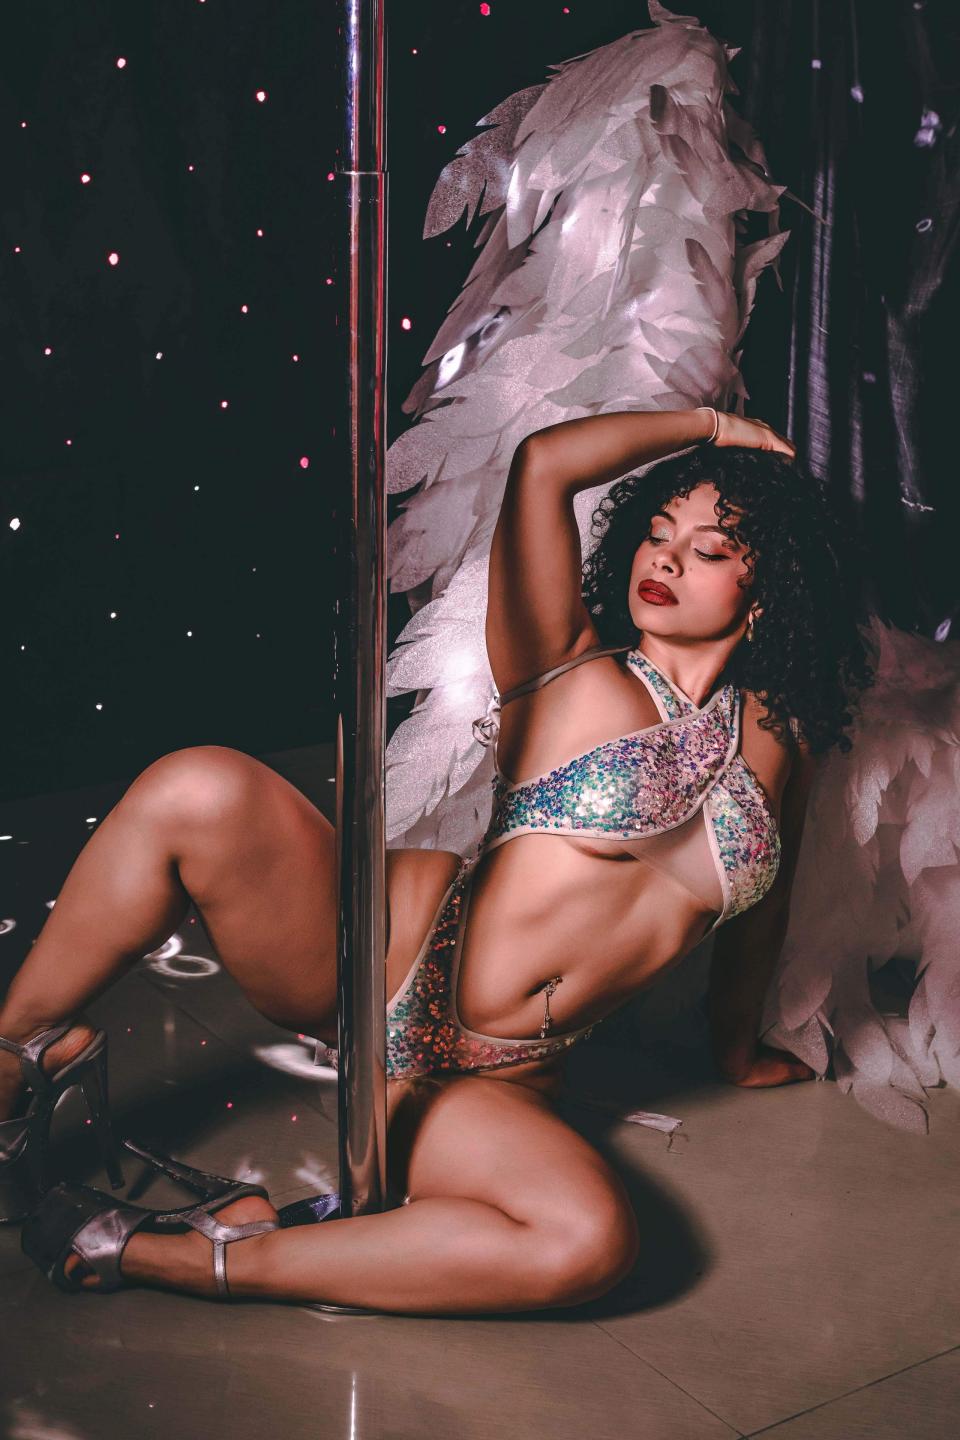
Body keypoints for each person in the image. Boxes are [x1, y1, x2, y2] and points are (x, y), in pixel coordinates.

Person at [0, 404, 872, 1313]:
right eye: (658, 534)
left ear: (767, 591)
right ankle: (15, 1059)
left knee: (587, 1243)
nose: (666, 560)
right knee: (198, 787)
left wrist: (736, 1052)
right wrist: (712, 425)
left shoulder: (781, 738)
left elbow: (764, 911)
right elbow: (544, 463)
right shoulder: (566, 667)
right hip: (377, 958)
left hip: (501, 1071)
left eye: (709, 549)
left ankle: (183, 1254)